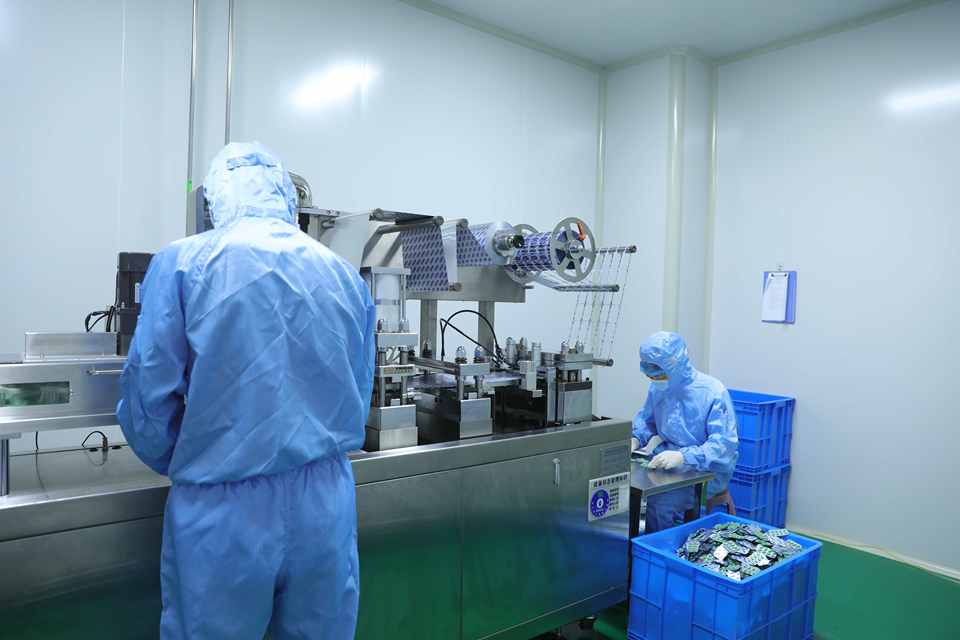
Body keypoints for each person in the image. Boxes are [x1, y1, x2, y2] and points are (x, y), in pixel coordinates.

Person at [117, 142, 375, 639]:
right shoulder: (343, 274)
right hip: (326, 501)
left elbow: (149, 394)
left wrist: (193, 457)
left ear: (216, 198)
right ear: (286, 197)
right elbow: (359, 389)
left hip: (223, 507)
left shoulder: (184, 263)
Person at [632, 331, 738, 533]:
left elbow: (723, 446)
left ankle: (660, 548)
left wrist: (684, 457)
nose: (655, 378)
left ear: (676, 364)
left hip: (706, 471)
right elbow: (647, 421)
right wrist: (635, 438)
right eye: (650, 374)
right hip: (667, 462)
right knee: (628, 492)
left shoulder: (712, 391)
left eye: (660, 373)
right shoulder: (658, 387)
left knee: (657, 504)